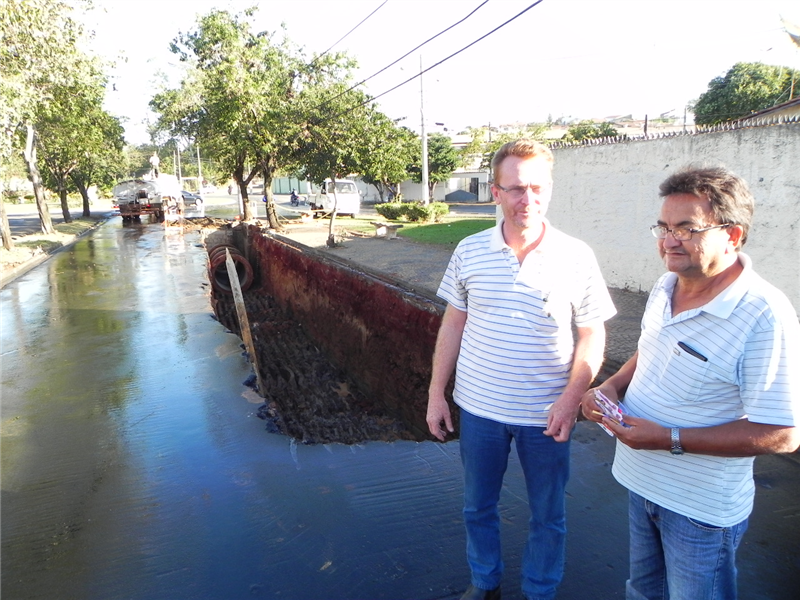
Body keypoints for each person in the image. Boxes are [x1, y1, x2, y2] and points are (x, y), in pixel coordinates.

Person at [580, 166, 800, 600]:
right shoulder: (667, 285)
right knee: (642, 593)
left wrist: (669, 438)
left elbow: (782, 433)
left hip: (699, 509)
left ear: (732, 236)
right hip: (642, 483)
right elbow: (652, 349)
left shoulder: (763, 314)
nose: (668, 240)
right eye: (663, 226)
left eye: (687, 228)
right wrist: (611, 388)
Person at [427, 139, 617, 600]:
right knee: (477, 507)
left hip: (547, 415)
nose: (526, 199)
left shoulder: (577, 255)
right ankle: (484, 583)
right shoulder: (470, 251)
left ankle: (539, 591)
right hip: (479, 409)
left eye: (536, 188)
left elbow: (592, 333)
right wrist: (436, 393)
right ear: (495, 192)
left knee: (548, 515)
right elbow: (454, 322)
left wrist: (572, 400)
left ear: (549, 190)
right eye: (514, 188)